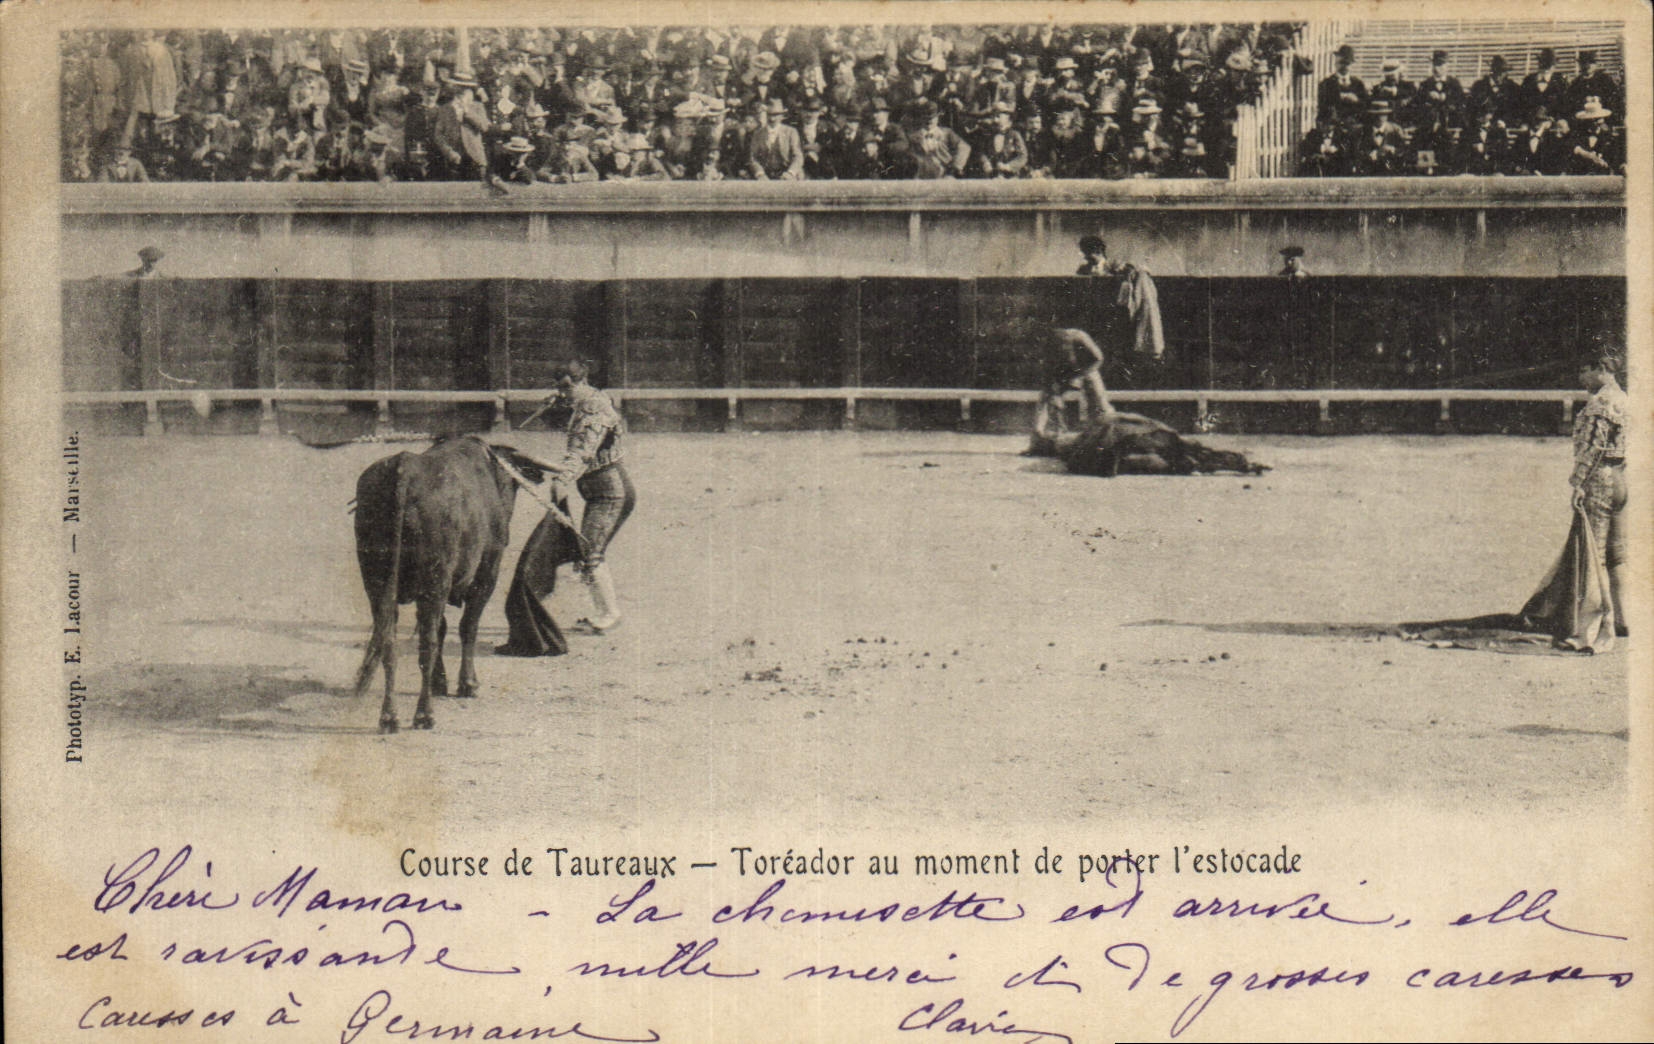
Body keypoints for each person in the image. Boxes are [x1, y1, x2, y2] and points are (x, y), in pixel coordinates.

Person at [1568, 351, 1629, 634]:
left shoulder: (1600, 403)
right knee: (1617, 553)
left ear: (1601, 369)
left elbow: (1594, 449)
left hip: (1600, 479)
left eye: (1584, 370)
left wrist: (1579, 483)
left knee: (1596, 554)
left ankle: (1596, 624)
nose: (1581, 377)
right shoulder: (1624, 400)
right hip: (1621, 478)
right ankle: (1623, 618)